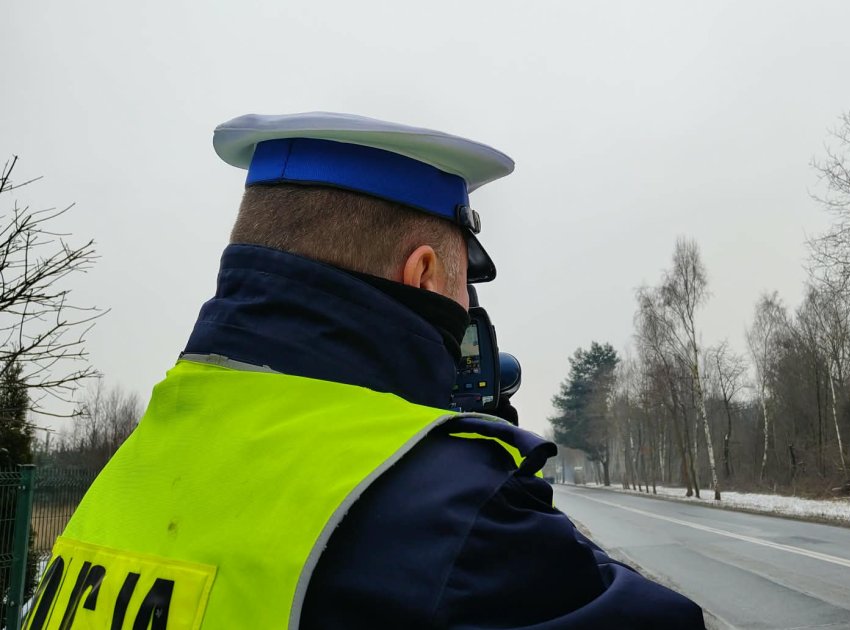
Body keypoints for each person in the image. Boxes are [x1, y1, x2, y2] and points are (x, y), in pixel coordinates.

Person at [26, 112, 705, 629]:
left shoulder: (130, 469)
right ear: (424, 272)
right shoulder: (453, 515)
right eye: (466, 283)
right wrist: (488, 485)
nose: (468, 307)